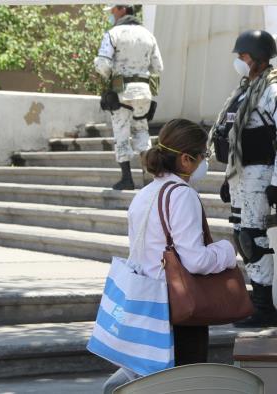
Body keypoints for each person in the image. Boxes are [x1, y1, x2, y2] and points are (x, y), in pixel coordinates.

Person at [102, 119, 237, 393]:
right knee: (182, 384)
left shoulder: (145, 193)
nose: (205, 163)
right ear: (187, 160)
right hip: (179, 309)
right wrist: (227, 251)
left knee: (150, 383)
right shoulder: (182, 195)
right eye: (204, 156)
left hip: (148, 305)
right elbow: (195, 260)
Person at [210, 30, 277, 328]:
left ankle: (265, 309)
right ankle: (256, 302)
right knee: (242, 236)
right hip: (241, 176)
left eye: (243, 56)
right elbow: (234, 139)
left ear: (259, 58)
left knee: (253, 238)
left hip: (261, 176)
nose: (239, 61)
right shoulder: (244, 91)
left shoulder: (276, 93)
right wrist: (227, 178)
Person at [94, 4, 163, 190]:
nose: (110, 14)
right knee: (142, 131)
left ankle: (127, 179)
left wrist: (110, 76)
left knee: (121, 133)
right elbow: (158, 68)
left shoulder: (114, 33)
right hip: (144, 93)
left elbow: (102, 63)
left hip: (121, 93)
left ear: (122, 9)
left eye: (112, 10)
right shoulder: (148, 35)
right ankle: (150, 179)